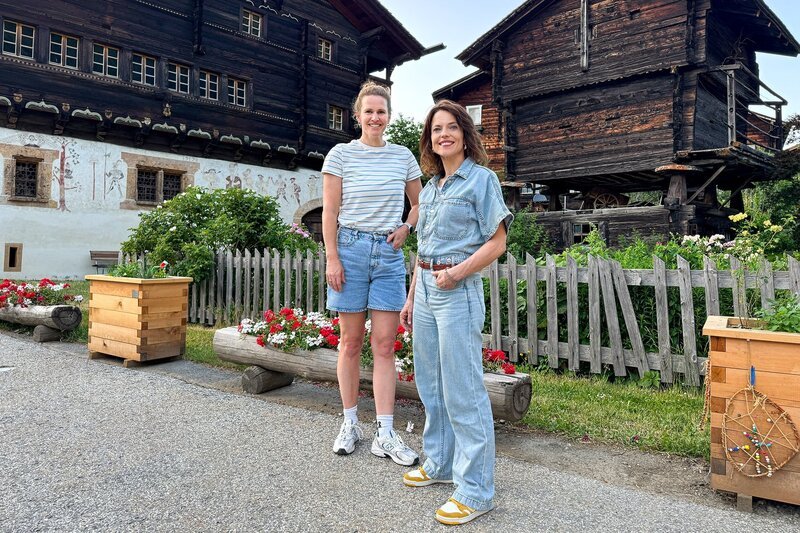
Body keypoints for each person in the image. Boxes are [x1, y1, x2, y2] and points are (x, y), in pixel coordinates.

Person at [399, 100, 512, 526]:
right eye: (435, 130)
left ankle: (477, 490)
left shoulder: (481, 180)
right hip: (426, 289)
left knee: (463, 389)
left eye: (450, 127)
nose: (442, 134)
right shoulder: (429, 190)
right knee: (431, 383)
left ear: (464, 134)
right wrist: (413, 296)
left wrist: (458, 273)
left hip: (457, 290)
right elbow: (423, 250)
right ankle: (441, 462)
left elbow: (497, 242)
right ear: (429, 140)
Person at [322, 81, 423, 466]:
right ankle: (350, 422)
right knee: (349, 342)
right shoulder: (340, 155)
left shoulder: (402, 157)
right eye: (369, 111)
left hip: (388, 253)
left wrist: (407, 228)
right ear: (358, 115)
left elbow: (419, 203)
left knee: (384, 345)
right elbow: (329, 212)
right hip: (348, 249)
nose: (375, 117)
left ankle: (385, 431)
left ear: (389, 116)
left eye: (381, 111)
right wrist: (333, 258)